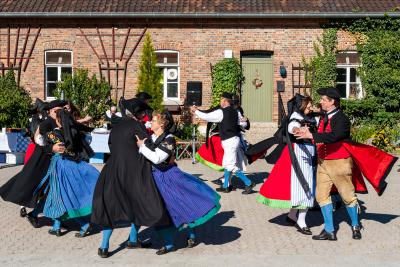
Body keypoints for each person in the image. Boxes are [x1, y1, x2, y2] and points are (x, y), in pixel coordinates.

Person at [295, 87, 398, 240]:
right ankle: (329, 230)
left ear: (332, 102)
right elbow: (322, 134)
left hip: (339, 163)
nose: (321, 101)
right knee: (321, 195)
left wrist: (313, 135)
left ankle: (355, 225)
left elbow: (335, 136)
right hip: (323, 163)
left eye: (324, 99)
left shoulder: (342, 118)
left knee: (347, 196)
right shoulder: (324, 117)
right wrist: (308, 134)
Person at [91, 98, 171, 258]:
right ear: (139, 114)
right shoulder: (137, 126)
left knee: (111, 207)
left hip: (112, 170)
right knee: (141, 202)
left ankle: (106, 246)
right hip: (133, 171)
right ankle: (167, 240)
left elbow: (111, 145)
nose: (144, 116)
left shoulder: (117, 125)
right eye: (143, 113)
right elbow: (147, 146)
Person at [136, 110, 221, 255]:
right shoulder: (152, 137)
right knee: (162, 212)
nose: (151, 122)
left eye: (154, 120)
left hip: (169, 177)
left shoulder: (169, 139)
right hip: (154, 179)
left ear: (162, 124)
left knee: (182, 204)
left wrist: (142, 147)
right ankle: (169, 243)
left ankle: (191, 233)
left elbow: (157, 159)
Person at [0, 100, 67, 228]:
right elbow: (39, 142)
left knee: (52, 189)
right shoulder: (47, 123)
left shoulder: (61, 122)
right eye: (58, 110)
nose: (61, 113)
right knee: (33, 185)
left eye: (62, 110)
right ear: (51, 111)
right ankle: (36, 213)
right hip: (41, 160)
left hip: (55, 162)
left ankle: (56, 218)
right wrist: (51, 148)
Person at [257, 94, 317, 235]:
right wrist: (297, 130)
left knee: (304, 186)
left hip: (307, 154)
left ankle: (291, 215)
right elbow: (292, 127)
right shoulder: (295, 117)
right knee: (305, 186)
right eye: (308, 105)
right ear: (301, 105)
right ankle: (301, 221)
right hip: (299, 155)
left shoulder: (306, 115)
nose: (310, 107)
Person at [33, 109, 98, 237]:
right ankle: (56, 226)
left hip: (60, 166)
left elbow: (40, 142)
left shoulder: (54, 134)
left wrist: (37, 131)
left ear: (58, 120)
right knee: (57, 195)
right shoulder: (75, 132)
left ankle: (83, 224)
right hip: (75, 165)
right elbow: (88, 140)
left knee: (61, 196)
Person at [191, 92, 255, 194]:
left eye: (221, 99)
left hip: (230, 141)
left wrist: (196, 111)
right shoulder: (236, 112)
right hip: (232, 141)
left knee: (230, 166)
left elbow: (206, 116)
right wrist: (246, 120)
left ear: (225, 101)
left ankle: (248, 182)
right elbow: (243, 123)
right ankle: (226, 186)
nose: (220, 101)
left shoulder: (221, 112)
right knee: (226, 163)